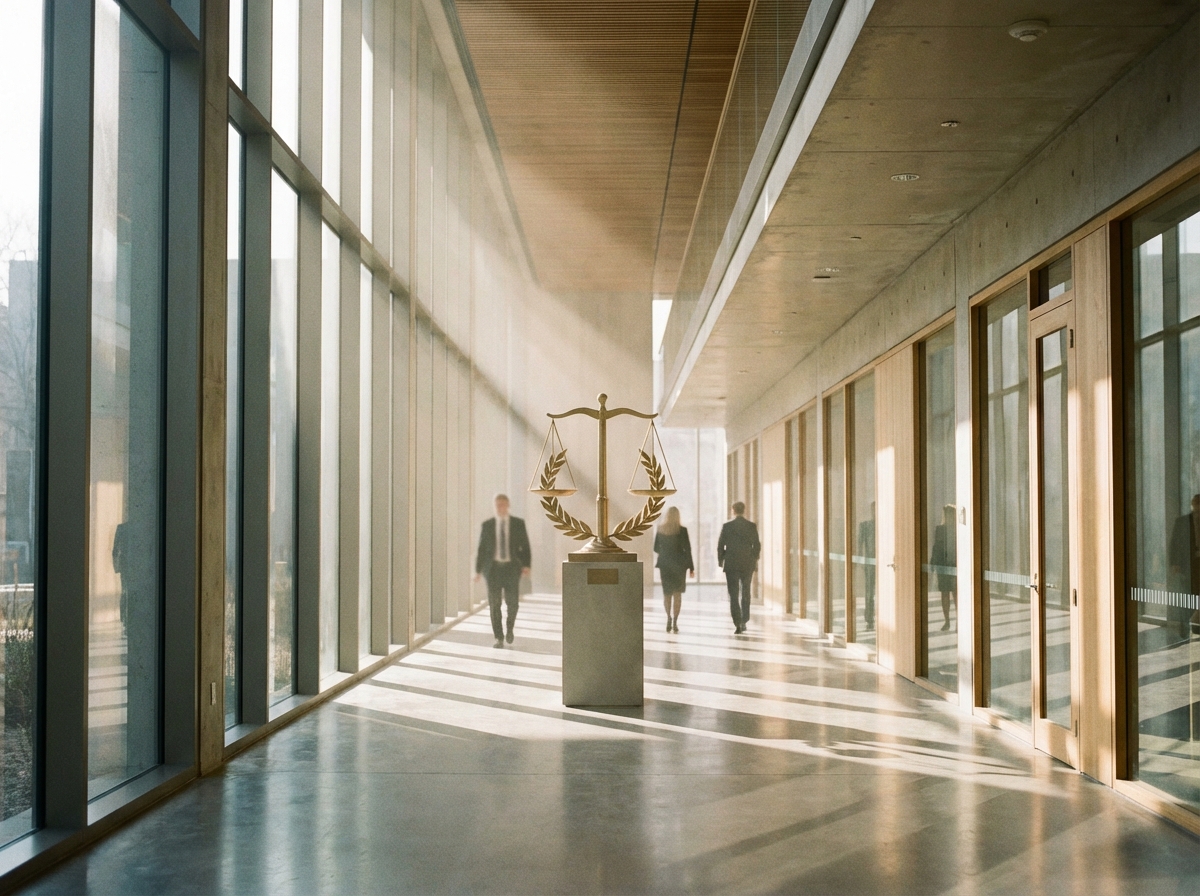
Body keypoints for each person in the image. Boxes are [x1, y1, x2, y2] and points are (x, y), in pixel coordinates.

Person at [475, 494, 531, 648]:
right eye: (498, 505)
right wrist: (478, 571)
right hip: (492, 570)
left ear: (508, 506)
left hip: (511, 569)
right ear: (495, 506)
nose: (501, 508)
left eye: (503, 505)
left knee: (513, 603)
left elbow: (525, 546)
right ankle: (498, 637)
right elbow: (481, 549)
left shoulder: (518, 524)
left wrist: (526, 565)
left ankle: (510, 629)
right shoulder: (487, 525)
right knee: (494, 604)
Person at [717, 501, 760, 634]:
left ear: (733, 510)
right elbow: (757, 546)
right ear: (744, 510)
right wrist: (754, 559)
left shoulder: (727, 526)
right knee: (746, 591)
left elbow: (720, 545)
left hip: (731, 564)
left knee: (733, 594)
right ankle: (744, 619)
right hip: (747, 564)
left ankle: (737, 623)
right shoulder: (751, 526)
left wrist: (721, 560)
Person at [653, 507, 694, 634]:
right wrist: (691, 568)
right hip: (679, 566)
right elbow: (688, 550)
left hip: (665, 565)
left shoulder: (660, 529)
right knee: (677, 595)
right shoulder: (682, 530)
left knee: (667, 594)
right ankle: (675, 621)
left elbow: (655, 548)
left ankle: (668, 618)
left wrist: (665, 553)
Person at [1168, 493, 1200, 639]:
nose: (1196, 505)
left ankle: (1195, 623)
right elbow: (1174, 543)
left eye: (1198, 503)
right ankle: (1189, 624)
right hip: (1189, 563)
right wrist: (1175, 563)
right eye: (1195, 503)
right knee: (1189, 592)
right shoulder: (1182, 521)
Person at [930, 504, 957, 631]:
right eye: (947, 514)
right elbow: (936, 547)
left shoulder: (958, 529)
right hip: (943, 565)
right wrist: (933, 563)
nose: (949, 516)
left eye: (951, 514)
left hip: (955, 565)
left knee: (956, 593)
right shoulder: (940, 529)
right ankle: (947, 621)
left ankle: (959, 620)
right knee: (945, 593)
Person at [857, 502, 876, 630]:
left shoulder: (884, 526)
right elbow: (859, 545)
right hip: (870, 563)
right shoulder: (865, 526)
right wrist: (861, 560)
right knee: (869, 592)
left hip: (883, 564)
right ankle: (869, 619)